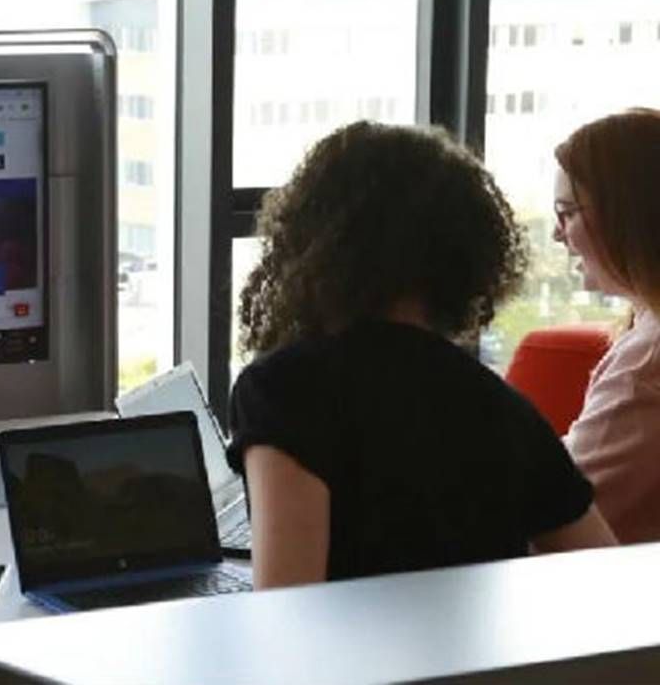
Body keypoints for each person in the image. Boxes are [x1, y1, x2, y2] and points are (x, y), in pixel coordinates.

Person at [227, 121, 616, 590]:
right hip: (479, 644)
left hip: (351, 643)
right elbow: (609, 576)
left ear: (313, 244)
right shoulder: (499, 405)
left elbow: (285, 606)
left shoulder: (283, 390)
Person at [553, 108, 660, 544]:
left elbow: (556, 517)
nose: (558, 234)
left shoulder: (646, 367)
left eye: (567, 212)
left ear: (627, 216)